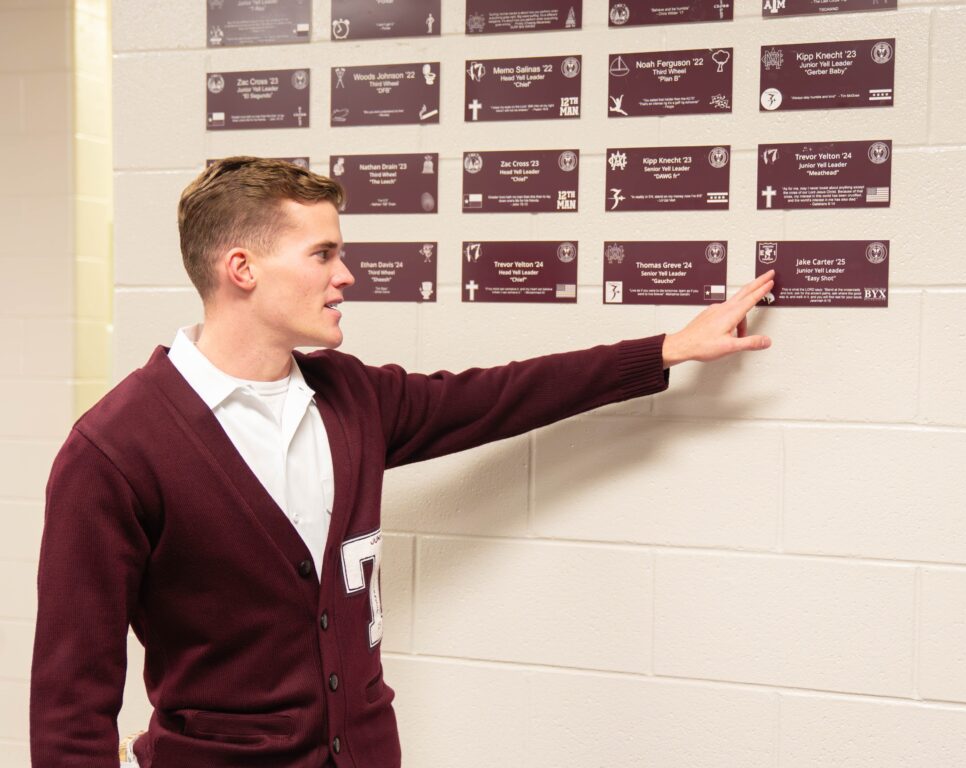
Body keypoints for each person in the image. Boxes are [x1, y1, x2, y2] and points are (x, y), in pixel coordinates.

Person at [30, 157, 775, 767]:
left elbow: (502, 396)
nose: (345, 275)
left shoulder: (350, 397)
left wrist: (666, 350)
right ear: (242, 268)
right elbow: (71, 705)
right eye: (322, 254)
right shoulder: (115, 451)